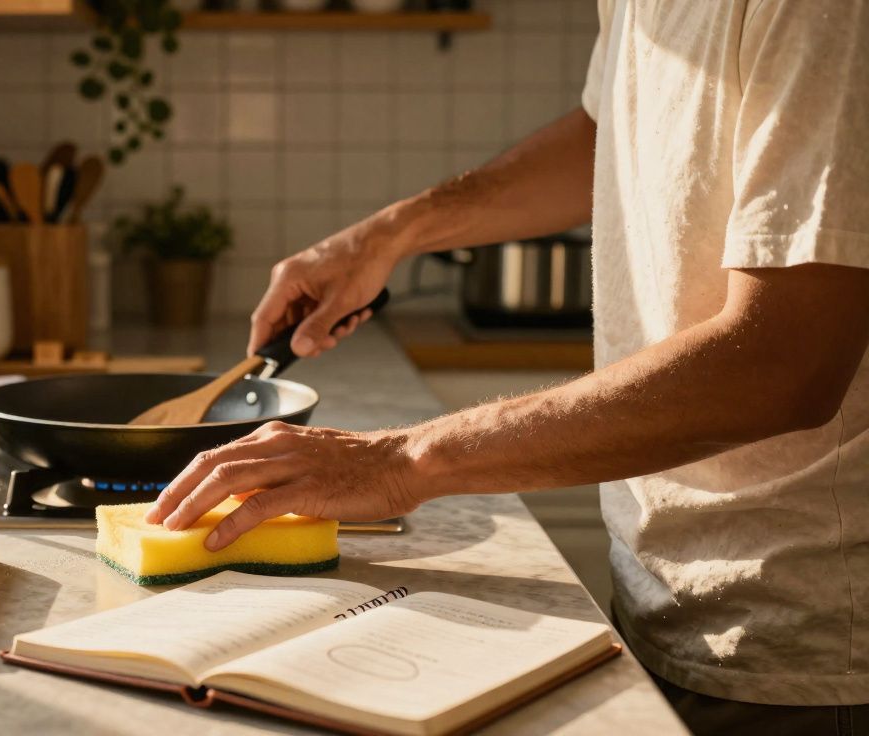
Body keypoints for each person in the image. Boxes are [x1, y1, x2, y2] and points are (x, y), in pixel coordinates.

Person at [146, 1, 869, 733]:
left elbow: (784, 365)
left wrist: (402, 461)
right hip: (665, 600)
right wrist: (393, 233)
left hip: (803, 642)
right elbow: (608, 127)